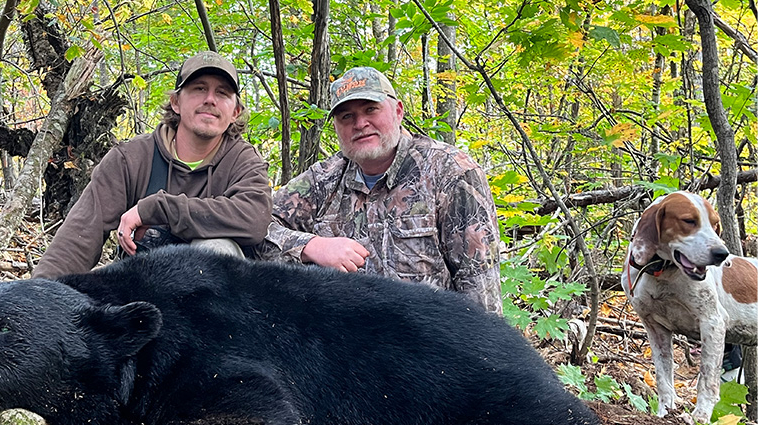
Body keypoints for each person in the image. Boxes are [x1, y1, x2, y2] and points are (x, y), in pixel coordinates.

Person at [262, 66, 502, 314]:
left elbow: (480, 293)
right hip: (343, 339)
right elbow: (257, 227)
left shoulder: (452, 173)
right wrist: (312, 246)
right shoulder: (322, 180)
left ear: (398, 111)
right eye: (346, 116)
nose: (360, 124)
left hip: (428, 341)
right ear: (335, 127)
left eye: (370, 109)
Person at [33, 51, 272, 279]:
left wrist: (157, 208)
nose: (210, 100)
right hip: (143, 292)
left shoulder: (244, 162)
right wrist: (37, 295)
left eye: (222, 93)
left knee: (215, 248)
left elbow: (253, 220)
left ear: (235, 111)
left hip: (214, 308)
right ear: (176, 102)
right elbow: (79, 236)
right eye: (199, 89)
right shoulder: (131, 158)